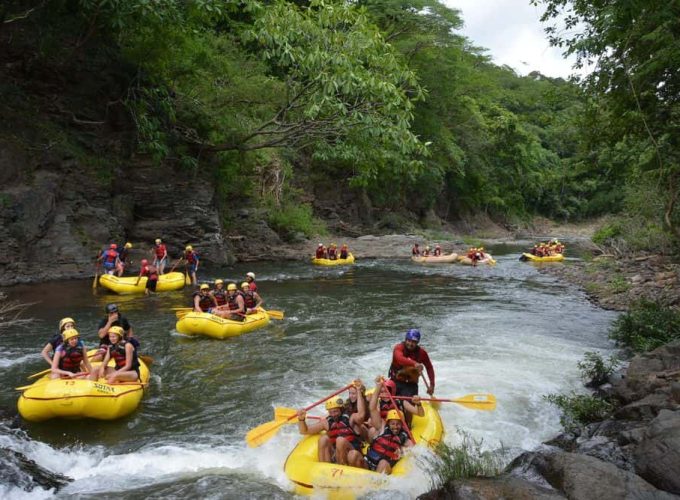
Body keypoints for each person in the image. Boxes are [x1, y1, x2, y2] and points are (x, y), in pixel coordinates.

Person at [348, 378, 416, 474]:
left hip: (383, 466)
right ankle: (354, 479)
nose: (395, 427)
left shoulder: (404, 437)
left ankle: (373, 486)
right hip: (369, 462)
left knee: (383, 463)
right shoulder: (383, 427)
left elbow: (413, 449)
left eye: (398, 424)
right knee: (352, 454)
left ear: (402, 424)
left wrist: (402, 451)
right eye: (393, 423)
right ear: (388, 422)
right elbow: (372, 408)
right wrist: (378, 387)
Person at [297, 381, 366, 466]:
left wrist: (358, 391)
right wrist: (301, 419)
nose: (334, 414)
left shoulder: (351, 417)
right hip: (338, 456)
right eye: (331, 412)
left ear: (341, 409)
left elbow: (361, 415)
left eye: (336, 411)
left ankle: (342, 468)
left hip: (353, 455)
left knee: (340, 440)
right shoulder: (326, 422)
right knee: (323, 439)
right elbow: (305, 431)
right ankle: (323, 468)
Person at [388, 329, 435, 397]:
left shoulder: (422, 353)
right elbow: (400, 359)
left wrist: (432, 385)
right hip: (396, 381)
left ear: (417, 342)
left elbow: (429, 367)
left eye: (413, 342)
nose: (410, 344)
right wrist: (415, 364)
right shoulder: (398, 348)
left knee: (407, 402)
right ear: (405, 339)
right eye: (409, 340)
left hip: (411, 383)